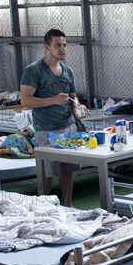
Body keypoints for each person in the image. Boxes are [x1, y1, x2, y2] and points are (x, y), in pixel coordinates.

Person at [20, 28, 81, 207]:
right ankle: (44, 207)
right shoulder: (33, 70)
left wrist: (78, 107)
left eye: (64, 45)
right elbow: (25, 101)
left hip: (68, 126)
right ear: (46, 47)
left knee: (67, 168)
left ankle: (67, 205)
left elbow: (72, 96)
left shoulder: (68, 70)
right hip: (46, 128)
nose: (62, 49)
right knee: (47, 170)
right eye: (57, 45)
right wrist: (53, 100)